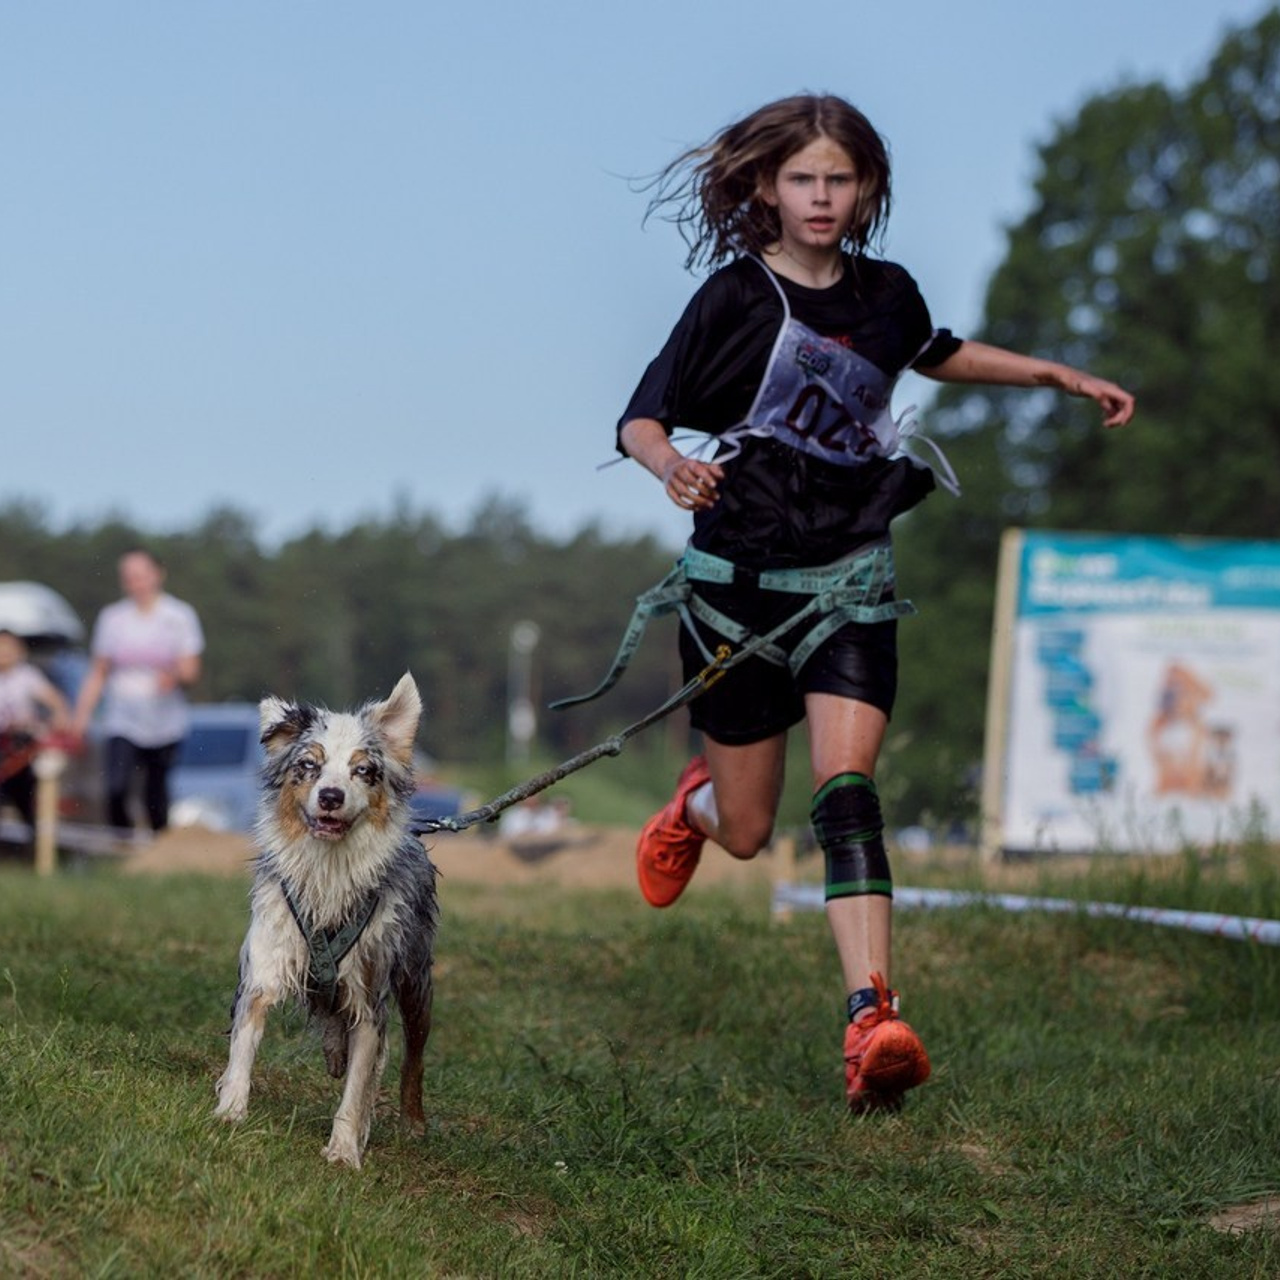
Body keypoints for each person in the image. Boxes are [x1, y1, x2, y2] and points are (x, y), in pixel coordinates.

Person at [615, 95, 1135, 1113]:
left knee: (846, 788)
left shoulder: (886, 292)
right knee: (753, 827)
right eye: (802, 179)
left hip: (848, 582)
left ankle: (869, 1016)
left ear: (863, 191)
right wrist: (671, 463)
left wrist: (1053, 374)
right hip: (736, 595)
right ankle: (694, 805)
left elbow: (932, 351)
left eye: (838, 180)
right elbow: (640, 416)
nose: (819, 197)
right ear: (766, 186)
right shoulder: (733, 298)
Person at [72, 548, 205, 835]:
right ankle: (122, 846)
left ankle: (158, 851)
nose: (136, 583)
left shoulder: (178, 616)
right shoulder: (113, 618)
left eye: (141, 576)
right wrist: (81, 716)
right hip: (122, 716)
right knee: (116, 787)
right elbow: (98, 672)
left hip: (164, 718)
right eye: (129, 577)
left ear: (158, 575)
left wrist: (175, 676)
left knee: (154, 792)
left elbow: (191, 669)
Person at [0, 629, 72, 828]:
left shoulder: (27, 676)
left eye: (9, 647)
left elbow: (56, 702)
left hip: (19, 747)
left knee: (25, 795)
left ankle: (36, 844)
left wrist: (60, 716)